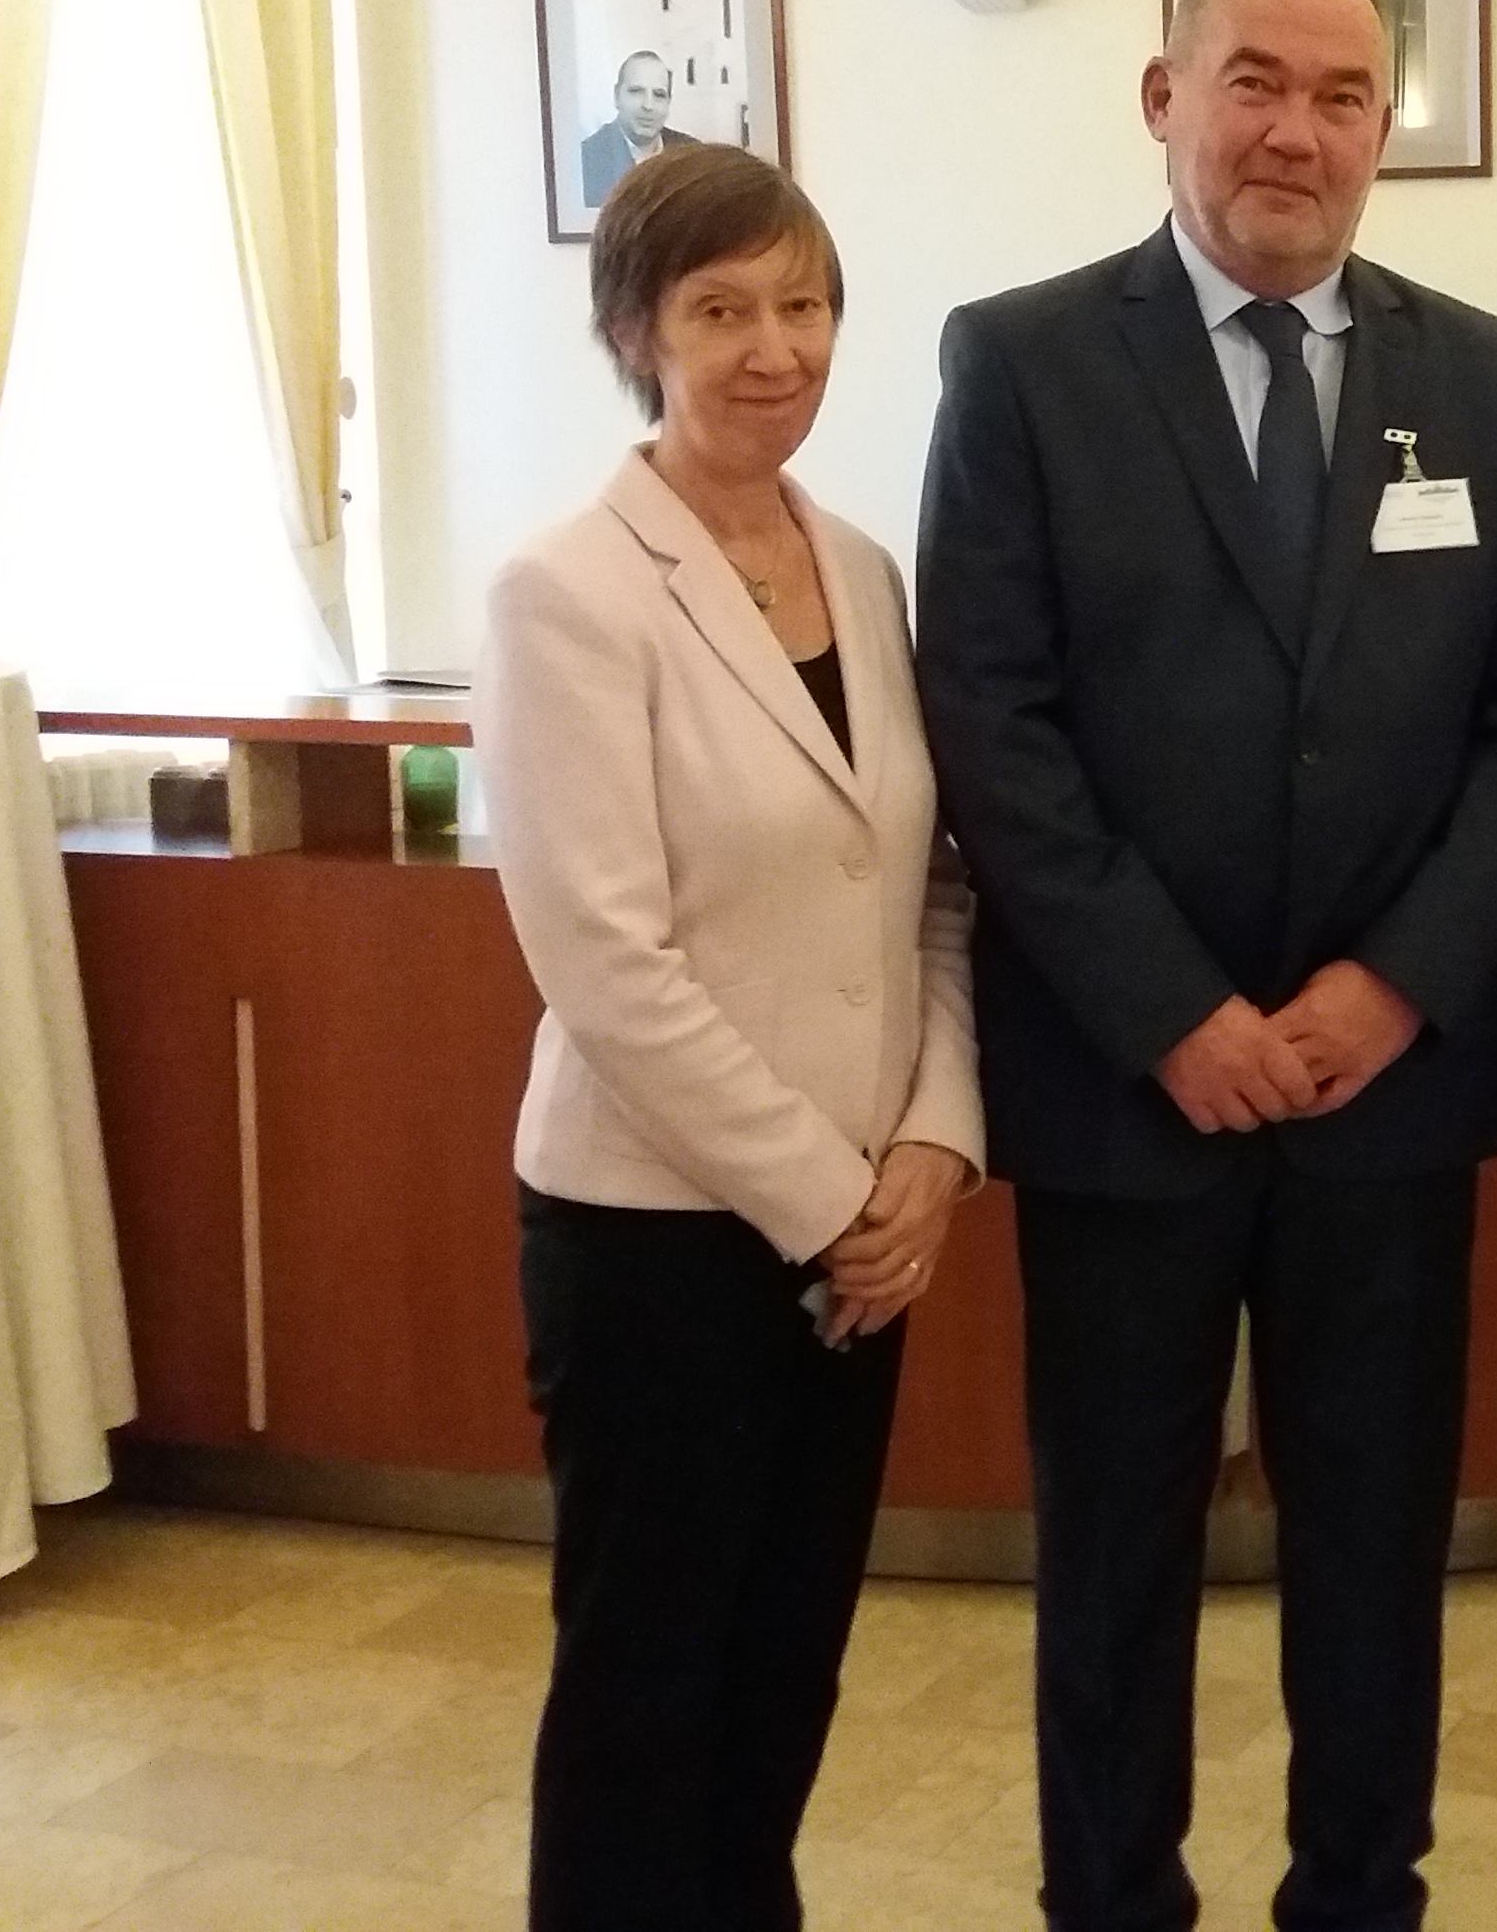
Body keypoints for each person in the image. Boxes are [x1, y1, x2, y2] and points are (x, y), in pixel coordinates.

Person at [914, 0, 1497, 1932]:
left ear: (1388, 127)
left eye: (1342, 95)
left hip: (1390, 1099)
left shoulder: (1481, 372)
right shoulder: (1023, 362)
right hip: (1129, 1096)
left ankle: (1360, 1899)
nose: (1297, 132)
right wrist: (1173, 1012)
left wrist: (1392, 987)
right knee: (1115, 1557)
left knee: (1374, 1556)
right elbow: (993, 721)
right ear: (1165, 98)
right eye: (1256, 83)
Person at [478, 144, 981, 1931]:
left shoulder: (861, 568)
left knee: (782, 1673)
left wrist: (932, 1144)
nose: (775, 348)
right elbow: (603, 962)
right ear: (638, 334)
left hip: (859, 1235)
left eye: (803, 303)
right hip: (656, 1239)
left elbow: (931, 887)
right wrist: (827, 1199)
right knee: (646, 1690)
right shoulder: (567, 590)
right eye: (720, 310)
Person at [580, 48, 700, 204]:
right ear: (617, 96)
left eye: (659, 94)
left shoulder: (693, 156)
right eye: (636, 91)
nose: (648, 105)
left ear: (668, 102)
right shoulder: (587, 159)